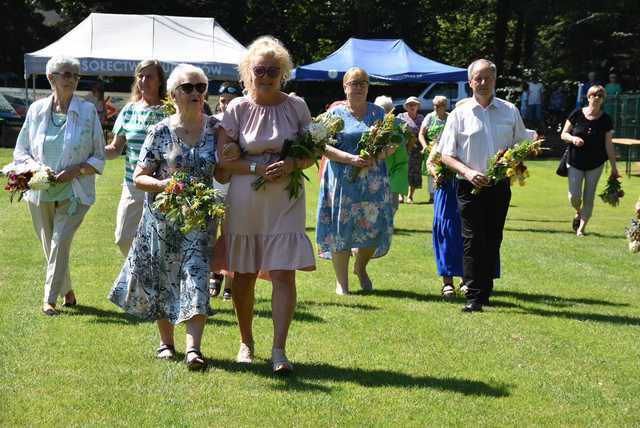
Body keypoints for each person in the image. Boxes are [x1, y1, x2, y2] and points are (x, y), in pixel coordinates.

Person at [109, 64, 224, 370]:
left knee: (197, 277)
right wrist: (164, 185)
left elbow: (225, 168)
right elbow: (139, 176)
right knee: (163, 279)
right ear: (174, 94)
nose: (197, 93)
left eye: (201, 87)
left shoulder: (216, 129)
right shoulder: (159, 132)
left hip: (199, 222)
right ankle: (166, 343)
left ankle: (193, 349)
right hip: (162, 221)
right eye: (189, 88)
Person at [216, 36, 316, 374]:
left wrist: (290, 165)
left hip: (285, 198)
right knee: (243, 275)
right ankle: (246, 341)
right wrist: (254, 165)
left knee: (283, 273)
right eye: (260, 69)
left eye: (274, 70)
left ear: (283, 72)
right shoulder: (236, 109)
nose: (267, 75)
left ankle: (279, 350)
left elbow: (311, 151)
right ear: (248, 72)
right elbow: (225, 161)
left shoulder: (297, 106)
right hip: (246, 198)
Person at [13, 55, 105, 316]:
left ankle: (48, 299)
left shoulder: (87, 111)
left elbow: (98, 155)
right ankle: (68, 291)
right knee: (50, 244)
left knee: (60, 240)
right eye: (66, 74)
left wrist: (76, 169)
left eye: (75, 75)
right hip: (40, 187)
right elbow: (21, 151)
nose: (72, 79)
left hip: (76, 191)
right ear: (51, 78)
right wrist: (38, 168)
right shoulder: (37, 110)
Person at [440, 59, 530, 312]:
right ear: (470, 82)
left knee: (493, 237)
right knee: (471, 238)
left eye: (487, 78)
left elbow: (522, 145)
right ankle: (474, 296)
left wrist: (510, 162)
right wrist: (468, 172)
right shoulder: (459, 114)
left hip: (499, 185)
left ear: (494, 80)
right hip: (468, 185)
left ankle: (485, 288)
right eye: (477, 78)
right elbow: (446, 154)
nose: (482, 83)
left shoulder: (509, 110)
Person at [316, 67, 395, 296]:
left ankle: (360, 268)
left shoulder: (379, 113)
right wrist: (351, 159)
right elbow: (322, 146)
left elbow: (392, 144)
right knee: (341, 229)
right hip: (342, 180)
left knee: (373, 227)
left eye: (363, 83)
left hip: (373, 181)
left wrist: (376, 156)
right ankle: (342, 282)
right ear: (345, 87)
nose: (359, 87)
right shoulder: (334, 114)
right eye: (354, 83)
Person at [105, 60, 167, 256]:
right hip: (134, 185)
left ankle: (148, 281)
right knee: (123, 237)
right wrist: (91, 150)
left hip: (163, 186)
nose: (144, 80)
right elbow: (115, 148)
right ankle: (139, 273)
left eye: (149, 76)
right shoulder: (129, 110)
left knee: (160, 242)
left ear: (160, 81)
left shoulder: (170, 111)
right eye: (140, 76)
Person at [560, 85, 619, 237]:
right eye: (594, 95)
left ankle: (581, 228)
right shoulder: (577, 114)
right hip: (575, 161)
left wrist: (614, 167)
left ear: (603, 99)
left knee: (589, 195)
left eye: (600, 96)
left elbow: (608, 144)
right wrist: (573, 138)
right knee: (574, 196)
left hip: (596, 163)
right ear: (588, 97)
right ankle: (578, 212)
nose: (597, 98)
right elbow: (564, 134)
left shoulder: (606, 119)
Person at [209, 81, 242, 301]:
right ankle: (213, 274)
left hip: (236, 184)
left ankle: (230, 283)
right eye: (222, 101)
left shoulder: (244, 123)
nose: (225, 105)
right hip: (213, 184)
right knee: (210, 234)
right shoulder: (210, 123)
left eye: (230, 101)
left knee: (231, 234)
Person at [374, 96, 408, 212]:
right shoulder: (400, 124)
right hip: (396, 168)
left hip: (388, 169)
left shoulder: (381, 126)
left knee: (385, 204)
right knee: (390, 204)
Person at [400, 96, 426, 204]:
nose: (412, 106)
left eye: (414, 104)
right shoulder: (401, 116)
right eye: (410, 104)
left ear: (417, 107)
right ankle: (400, 196)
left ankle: (410, 196)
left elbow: (424, 133)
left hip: (416, 150)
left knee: (414, 173)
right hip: (403, 149)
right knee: (402, 171)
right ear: (406, 107)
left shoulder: (421, 118)